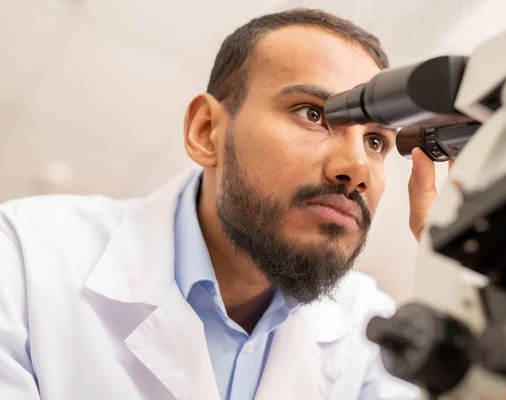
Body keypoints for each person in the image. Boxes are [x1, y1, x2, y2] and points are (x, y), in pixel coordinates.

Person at [0, 8, 440, 400]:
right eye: (314, 114)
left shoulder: (373, 328)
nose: (357, 168)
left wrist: (467, 272)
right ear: (206, 130)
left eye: (377, 141)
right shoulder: (24, 257)